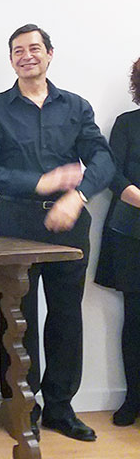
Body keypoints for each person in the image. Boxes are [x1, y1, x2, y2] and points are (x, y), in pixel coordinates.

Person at [0, 24, 113, 441]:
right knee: (18, 319)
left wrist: (78, 196)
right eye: (18, 50)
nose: (27, 55)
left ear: (50, 54)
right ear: (11, 59)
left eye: (35, 48)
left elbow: (101, 160)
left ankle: (61, 410)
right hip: (16, 224)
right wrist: (40, 184)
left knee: (67, 318)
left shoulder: (76, 106)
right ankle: (22, 407)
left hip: (70, 224)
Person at [95, 57, 140, 427]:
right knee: (135, 321)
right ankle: (134, 399)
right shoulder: (127, 124)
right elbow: (113, 173)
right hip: (133, 234)